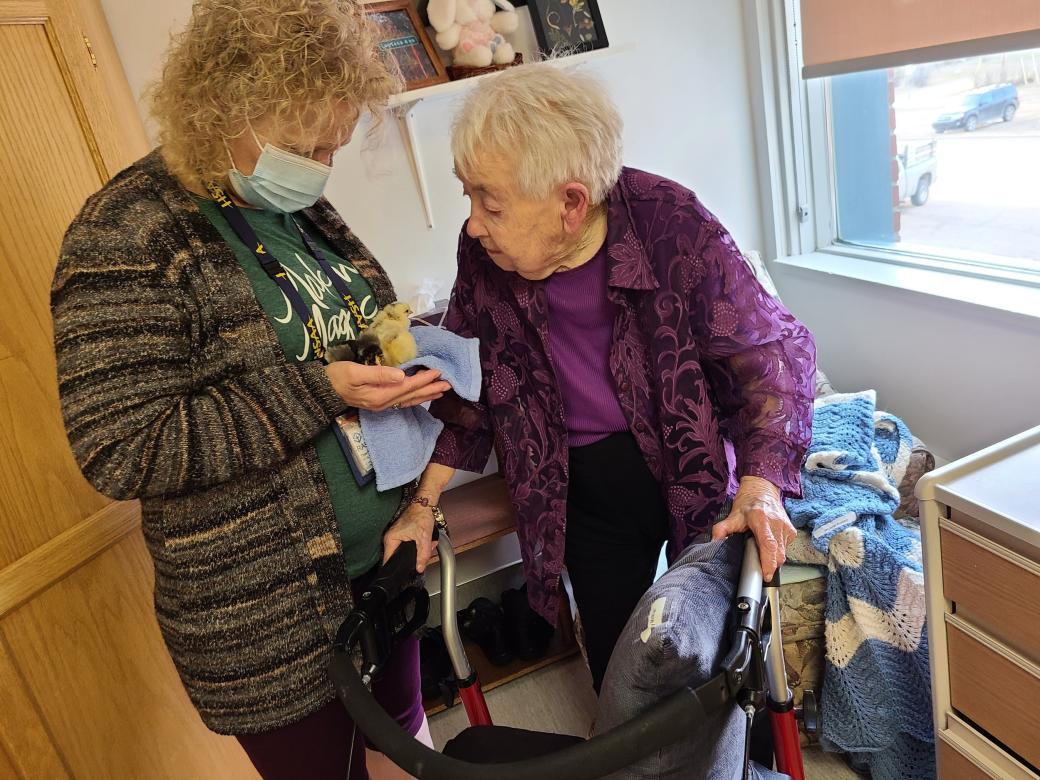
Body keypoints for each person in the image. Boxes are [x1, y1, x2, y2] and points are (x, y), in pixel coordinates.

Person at [51, 1, 449, 777]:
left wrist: (399, 368)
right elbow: (119, 449)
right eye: (304, 145)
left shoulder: (296, 208)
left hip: (382, 569)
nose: (319, 167)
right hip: (266, 621)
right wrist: (319, 390)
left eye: (331, 147)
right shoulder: (124, 234)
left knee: (404, 736)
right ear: (221, 105)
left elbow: (341, 330)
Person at [391, 64, 817, 691]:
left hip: (687, 463)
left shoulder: (668, 221)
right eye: (469, 196)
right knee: (623, 671)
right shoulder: (483, 254)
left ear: (571, 202)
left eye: (491, 202)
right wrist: (423, 505)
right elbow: (470, 382)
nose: (474, 222)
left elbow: (767, 354)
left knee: (719, 657)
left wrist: (761, 486)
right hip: (575, 484)